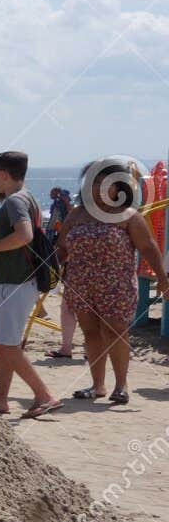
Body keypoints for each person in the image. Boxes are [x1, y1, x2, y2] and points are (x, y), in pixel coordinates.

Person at [58, 156, 169, 405]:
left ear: (118, 186)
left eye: (101, 182)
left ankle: (121, 385)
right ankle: (97, 386)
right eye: (91, 183)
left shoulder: (127, 216)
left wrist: (162, 279)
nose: (95, 188)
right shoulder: (77, 214)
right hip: (81, 282)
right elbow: (61, 248)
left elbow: (149, 248)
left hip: (116, 284)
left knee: (116, 331)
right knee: (90, 332)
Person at [0, 150, 61, 418]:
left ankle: (44, 396)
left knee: (7, 345)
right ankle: (0, 398)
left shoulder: (14, 202)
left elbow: (23, 236)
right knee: (5, 341)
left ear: (4, 175)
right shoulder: (25, 197)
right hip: (17, 279)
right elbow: (19, 237)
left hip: (15, 281)